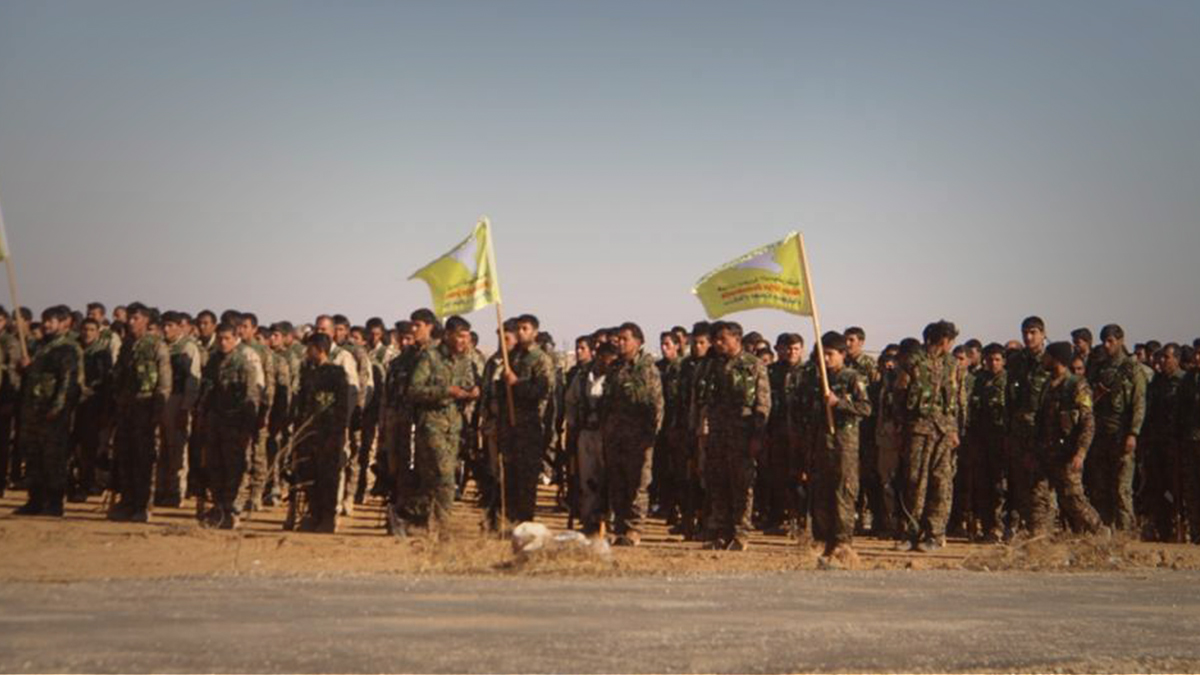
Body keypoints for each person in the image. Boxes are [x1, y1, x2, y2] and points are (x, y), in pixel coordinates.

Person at [400, 315, 479, 537]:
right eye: (460, 336)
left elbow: (468, 384)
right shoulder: (430, 357)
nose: (464, 341)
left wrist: (472, 392)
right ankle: (443, 527)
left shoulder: (464, 360)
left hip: (453, 426)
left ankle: (414, 519)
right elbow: (414, 390)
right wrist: (445, 391)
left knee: (433, 479)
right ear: (448, 335)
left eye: (467, 337)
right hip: (431, 424)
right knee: (445, 477)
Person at [702, 321, 771, 551]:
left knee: (742, 485)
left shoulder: (753, 365)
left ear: (737, 339)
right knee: (718, 482)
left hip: (743, 434)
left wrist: (757, 435)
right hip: (718, 433)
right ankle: (722, 532)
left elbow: (762, 403)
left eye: (723, 339)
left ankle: (741, 534)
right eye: (715, 339)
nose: (718, 343)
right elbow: (706, 400)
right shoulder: (713, 365)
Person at [807, 332, 871, 561]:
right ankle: (823, 539)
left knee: (843, 491)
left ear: (842, 354)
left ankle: (842, 541)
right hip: (821, 442)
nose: (825, 359)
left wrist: (839, 403)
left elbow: (865, 408)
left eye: (830, 354)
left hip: (845, 443)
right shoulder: (817, 379)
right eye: (822, 354)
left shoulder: (852, 377)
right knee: (821, 491)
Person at [1030, 342, 1105, 536]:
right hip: (1046, 451)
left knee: (1073, 498)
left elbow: (1088, 422)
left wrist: (1081, 452)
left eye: (1047, 356)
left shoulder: (1076, 385)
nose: (1043, 360)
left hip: (1067, 452)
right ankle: (1040, 540)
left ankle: (1099, 532)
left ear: (1057, 359)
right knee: (1039, 496)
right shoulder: (1047, 384)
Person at [12, 306, 82, 516]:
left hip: (52, 412)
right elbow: (30, 375)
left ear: (63, 323)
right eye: (44, 320)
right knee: (33, 455)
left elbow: (67, 382)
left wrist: (58, 407)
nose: (46, 325)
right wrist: (23, 367)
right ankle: (35, 499)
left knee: (53, 457)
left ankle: (54, 502)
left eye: (51, 321)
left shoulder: (67, 349)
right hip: (33, 410)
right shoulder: (39, 346)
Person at [599, 322, 664, 546]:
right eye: (618, 339)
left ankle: (635, 528)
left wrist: (651, 435)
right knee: (617, 482)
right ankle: (619, 527)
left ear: (638, 341)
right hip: (615, 435)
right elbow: (606, 402)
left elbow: (656, 404)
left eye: (625, 339)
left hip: (639, 437)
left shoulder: (646, 368)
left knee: (638, 483)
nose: (620, 343)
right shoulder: (615, 368)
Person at [899, 320, 960, 552]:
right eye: (950, 340)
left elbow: (957, 400)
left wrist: (955, 430)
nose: (950, 345)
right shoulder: (912, 362)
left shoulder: (952, 364)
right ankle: (911, 533)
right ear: (943, 340)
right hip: (917, 429)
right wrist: (902, 427)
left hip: (944, 431)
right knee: (915, 481)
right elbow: (899, 395)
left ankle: (934, 534)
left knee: (941, 482)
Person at [110, 303, 171, 523]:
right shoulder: (127, 345)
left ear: (146, 320)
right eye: (129, 318)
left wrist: (158, 411)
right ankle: (127, 501)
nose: (131, 322)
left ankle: (143, 505)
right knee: (125, 456)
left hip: (145, 409)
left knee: (144, 459)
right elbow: (117, 376)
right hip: (126, 409)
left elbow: (164, 383)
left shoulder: (156, 345)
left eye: (135, 318)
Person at [199, 323, 262, 529]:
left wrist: (247, 428)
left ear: (236, 339)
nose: (223, 342)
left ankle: (231, 509)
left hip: (235, 424)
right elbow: (206, 391)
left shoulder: (243, 364)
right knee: (214, 465)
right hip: (215, 422)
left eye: (227, 338)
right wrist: (202, 416)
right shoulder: (213, 362)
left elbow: (251, 398)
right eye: (220, 338)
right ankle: (218, 507)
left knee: (234, 467)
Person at [1088, 324, 1147, 532]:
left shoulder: (1132, 369)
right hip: (1101, 435)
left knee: (1122, 489)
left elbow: (1139, 403)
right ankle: (1106, 531)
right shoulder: (1098, 368)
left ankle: (1125, 534)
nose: (1106, 345)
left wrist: (1133, 433)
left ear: (1121, 341)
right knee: (1101, 486)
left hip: (1121, 435)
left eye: (1110, 341)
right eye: (1104, 341)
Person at [288, 333, 349, 533]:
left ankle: (327, 518)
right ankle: (314, 514)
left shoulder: (336, 373)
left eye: (310, 348)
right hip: (309, 433)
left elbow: (342, 406)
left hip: (329, 432)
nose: (307, 352)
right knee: (309, 473)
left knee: (328, 476)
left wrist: (337, 433)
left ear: (320, 349)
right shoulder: (308, 372)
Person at [498, 314, 554, 525]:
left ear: (534, 332)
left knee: (526, 476)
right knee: (510, 475)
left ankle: (524, 520)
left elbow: (542, 390)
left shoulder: (540, 359)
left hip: (529, 426)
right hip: (510, 424)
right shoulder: (513, 356)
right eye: (519, 329)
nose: (521, 333)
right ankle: (509, 519)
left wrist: (517, 383)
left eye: (525, 329)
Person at [1006, 316, 1051, 536]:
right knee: (1019, 482)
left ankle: (1041, 532)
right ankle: (1024, 529)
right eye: (1025, 332)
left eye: (1033, 332)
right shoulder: (1017, 361)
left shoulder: (1050, 360)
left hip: (1042, 432)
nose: (1028, 337)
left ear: (1043, 334)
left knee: (1040, 485)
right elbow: (1009, 398)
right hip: (1018, 431)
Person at [762, 332, 805, 536]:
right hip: (776, 431)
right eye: (788, 348)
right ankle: (777, 518)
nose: (791, 353)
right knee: (776, 477)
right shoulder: (770, 372)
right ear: (778, 349)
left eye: (796, 349)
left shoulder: (809, 372)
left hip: (800, 432)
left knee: (800, 478)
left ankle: (799, 520)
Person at [157, 312, 201, 507]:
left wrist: (185, 407)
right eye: (164, 326)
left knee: (177, 448)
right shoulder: (160, 345)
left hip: (178, 399)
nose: (166, 329)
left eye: (170, 325)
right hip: (160, 400)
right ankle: (160, 489)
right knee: (161, 448)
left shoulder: (187, 347)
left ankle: (176, 491)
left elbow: (192, 379)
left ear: (179, 327)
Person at [965, 343, 1008, 541]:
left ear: (1003, 361)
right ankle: (987, 526)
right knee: (982, 485)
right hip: (980, 439)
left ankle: (1000, 527)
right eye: (990, 359)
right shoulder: (978, 381)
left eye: (997, 359)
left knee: (1000, 486)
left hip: (1001, 439)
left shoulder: (1008, 381)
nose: (993, 363)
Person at [1141, 344, 1184, 541]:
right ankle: (1162, 527)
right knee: (1157, 486)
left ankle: (1180, 528)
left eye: (1167, 357)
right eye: (1161, 357)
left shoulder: (1183, 381)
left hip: (1175, 444)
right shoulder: (1156, 382)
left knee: (1176, 489)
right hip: (1156, 444)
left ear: (1177, 359)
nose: (1161, 361)